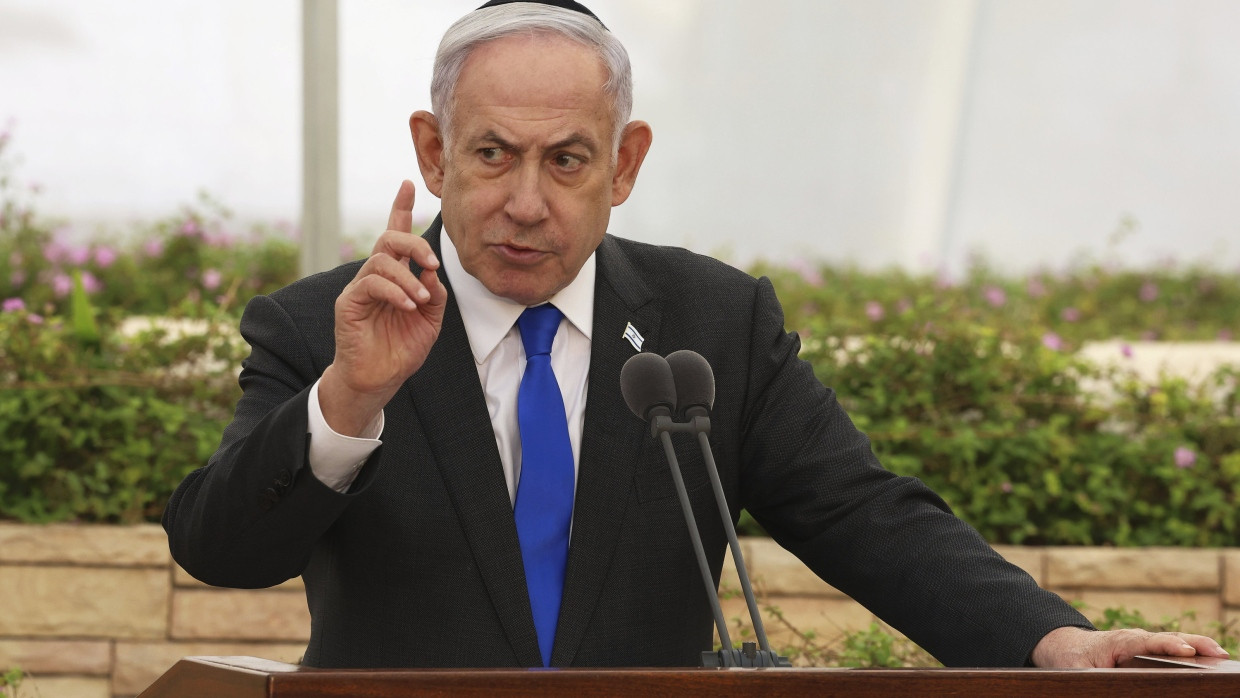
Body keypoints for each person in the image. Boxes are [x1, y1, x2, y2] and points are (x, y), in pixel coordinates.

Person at [163, 0, 1229, 669]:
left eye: (567, 161)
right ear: (433, 149)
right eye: (491, 155)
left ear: (625, 163)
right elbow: (219, 547)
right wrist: (349, 400)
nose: (525, 201)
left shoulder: (712, 324)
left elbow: (865, 515)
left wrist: (1052, 639)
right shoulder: (324, 326)